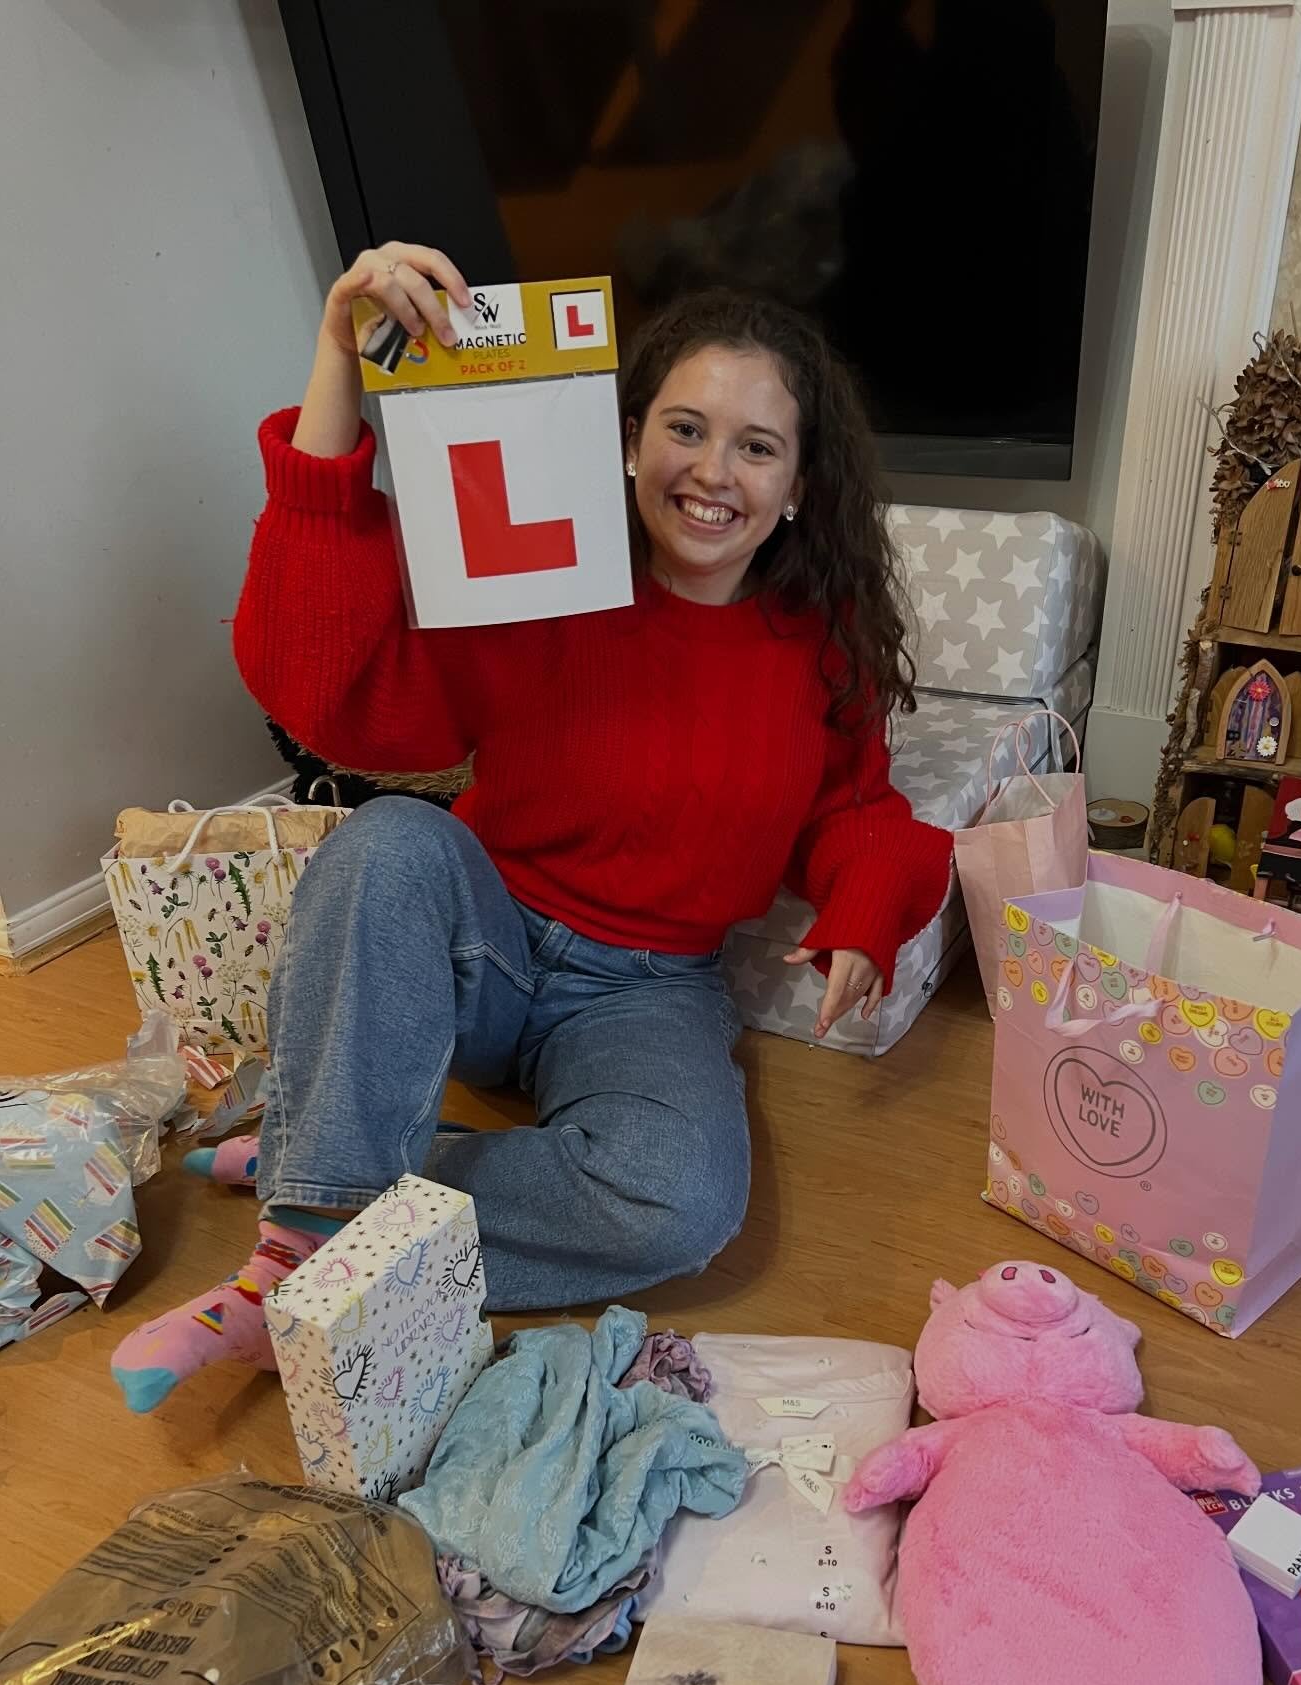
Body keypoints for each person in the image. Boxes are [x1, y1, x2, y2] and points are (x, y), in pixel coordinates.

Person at [111, 242, 952, 1414]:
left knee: (682, 1203)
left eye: (757, 446)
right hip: (488, 939)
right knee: (390, 839)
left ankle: (325, 1165)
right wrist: (337, 367)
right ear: (627, 439)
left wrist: (868, 906)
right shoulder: (546, 573)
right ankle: (300, 1256)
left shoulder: (822, 636)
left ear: (801, 484)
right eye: (685, 428)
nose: (714, 471)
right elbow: (323, 690)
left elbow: (856, 810)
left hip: (650, 992)